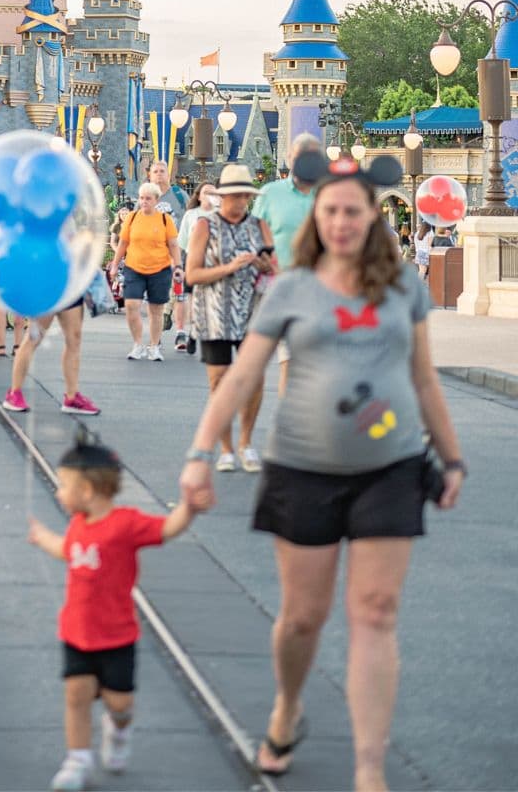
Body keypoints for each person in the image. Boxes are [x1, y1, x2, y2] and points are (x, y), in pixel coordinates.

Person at [179, 154, 465, 790]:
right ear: (318, 217)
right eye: (330, 210)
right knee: (302, 618)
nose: (340, 221)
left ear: (372, 216)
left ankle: (368, 767)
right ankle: (288, 705)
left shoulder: (403, 288)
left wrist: (452, 456)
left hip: (391, 467)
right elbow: (244, 375)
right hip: (302, 468)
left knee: (376, 610)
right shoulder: (292, 288)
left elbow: (423, 378)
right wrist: (202, 453)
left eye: (352, 211)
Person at [28, 430, 198, 790]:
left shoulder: (126, 524)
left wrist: (189, 508)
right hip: (76, 631)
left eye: (63, 485)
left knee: (119, 703)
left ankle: (118, 730)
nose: (58, 493)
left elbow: (166, 529)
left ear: (87, 491)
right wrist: (44, 539)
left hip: (117, 636)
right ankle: (77, 759)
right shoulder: (78, 524)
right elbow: (71, 553)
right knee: (76, 695)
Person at [186, 164, 274, 474]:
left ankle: (246, 442)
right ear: (224, 196)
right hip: (214, 313)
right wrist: (229, 267)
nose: (242, 202)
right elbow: (192, 274)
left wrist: (264, 265)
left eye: (246, 196)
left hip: (251, 312)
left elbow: (273, 266)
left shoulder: (259, 225)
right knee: (220, 381)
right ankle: (225, 448)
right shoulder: (204, 226)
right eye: (237, 196)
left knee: (254, 379)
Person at [252, 136, 321, 396]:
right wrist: (263, 261)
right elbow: (253, 236)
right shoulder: (271, 193)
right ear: (290, 159)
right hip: (279, 288)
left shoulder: (329, 194)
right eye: (298, 156)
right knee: (289, 362)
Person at [108, 182, 181, 361]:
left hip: (159, 269)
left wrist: (178, 266)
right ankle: (138, 344)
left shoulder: (165, 220)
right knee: (131, 305)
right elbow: (123, 243)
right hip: (134, 267)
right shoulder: (132, 218)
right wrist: (115, 265)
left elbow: (173, 244)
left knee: (155, 310)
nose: (144, 201)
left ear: (156, 200)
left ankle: (154, 346)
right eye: (141, 198)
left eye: (148, 198)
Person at [173, 182, 217, 353]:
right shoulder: (191, 215)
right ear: (199, 196)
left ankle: (204, 334)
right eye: (206, 192)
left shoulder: (221, 214)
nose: (209, 196)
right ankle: (193, 331)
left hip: (214, 262)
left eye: (213, 192)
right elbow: (182, 242)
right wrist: (178, 265)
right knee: (193, 301)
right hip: (194, 261)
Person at [148, 159, 188, 225]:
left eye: (162, 171)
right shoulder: (144, 198)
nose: (159, 174)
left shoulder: (181, 195)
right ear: (150, 177)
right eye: (155, 172)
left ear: (168, 175)